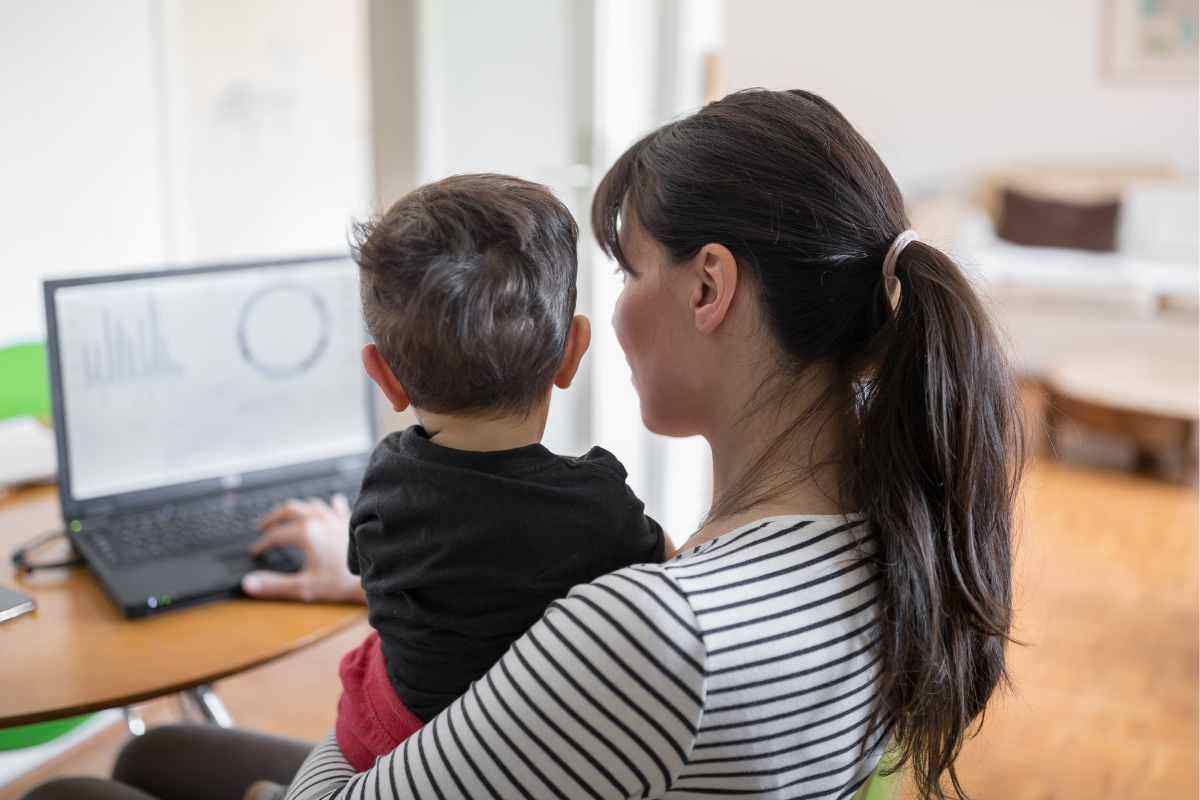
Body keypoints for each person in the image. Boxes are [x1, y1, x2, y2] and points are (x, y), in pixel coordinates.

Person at [25, 88, 1023, 800]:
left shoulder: (660, 634)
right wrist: (369, 576)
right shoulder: (887, 535)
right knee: (154, 759)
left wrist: (389, 612)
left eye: (627, 268)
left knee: (75, 792)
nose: (615, 311)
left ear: (710, 287)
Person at [334, 173, 666, 772]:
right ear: (572, 352)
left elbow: (374, 579)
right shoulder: (598, 510)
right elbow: (674, 569)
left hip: (378, 735)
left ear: (383, 377)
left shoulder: (384, 481)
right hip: (507, 759)